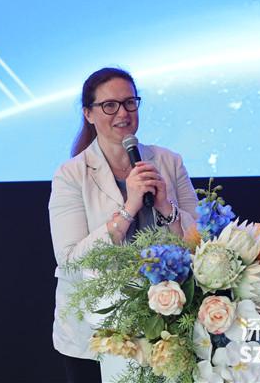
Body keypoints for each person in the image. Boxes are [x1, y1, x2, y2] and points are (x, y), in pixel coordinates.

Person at [48, 67, 199, 383]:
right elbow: (71, 260)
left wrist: (165, 206)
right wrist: (129, 207)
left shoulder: (169, 162)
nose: (123, 113)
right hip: (95, 335)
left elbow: (201, 242)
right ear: (89, 113)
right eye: (109, 105)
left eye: (130, 102)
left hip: (167, 326)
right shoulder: (71, 175)